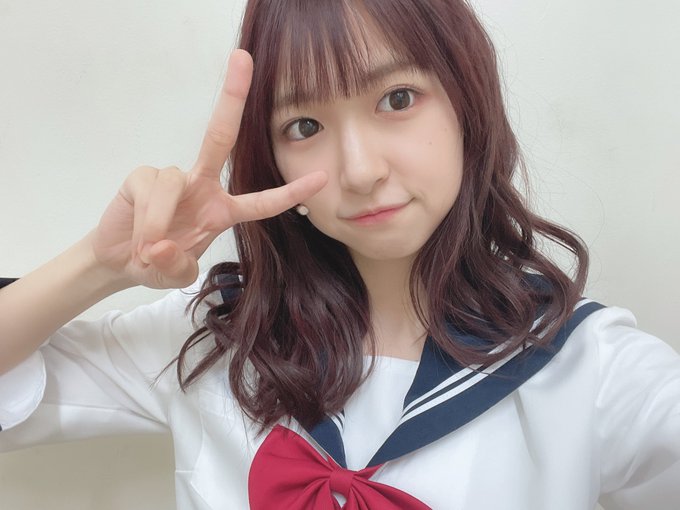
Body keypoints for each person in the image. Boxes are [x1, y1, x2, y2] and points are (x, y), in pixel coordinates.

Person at [1, 0, 679, 509]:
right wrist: (101, 264)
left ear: (466, 102)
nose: (359, 170)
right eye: (305, 125)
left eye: (397, 98)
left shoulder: (589, 367)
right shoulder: (217, 337)